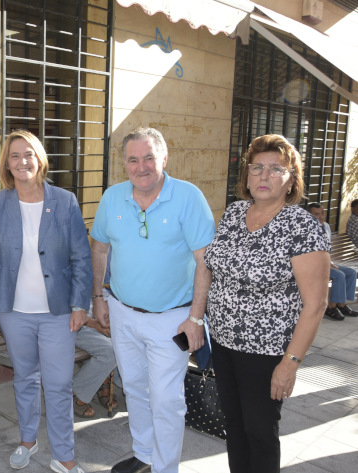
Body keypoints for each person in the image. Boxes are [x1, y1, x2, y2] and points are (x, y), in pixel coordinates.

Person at [90, 127, 215, 473]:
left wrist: (196, 318)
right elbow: (99, 247)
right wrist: (98, 296)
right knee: (134, 387)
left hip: (171, 319)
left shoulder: (188, 197)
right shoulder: (112, 198)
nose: (141, 166)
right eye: (133, 159)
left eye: (149, 157)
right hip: (122, 311)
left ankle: (165, 468)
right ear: (124, 163)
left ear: (163, 158)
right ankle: (144, 454)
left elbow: (206, 261)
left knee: (166, 399)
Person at [204, 134, 330, 473]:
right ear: (246, 175)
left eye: (276, 169)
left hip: (267, 352)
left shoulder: (302, 226)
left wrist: (289, 363)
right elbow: (212, 267)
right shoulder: (233, 213)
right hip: (224, 342)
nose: (263, 175)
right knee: (234, 426)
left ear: (291, 180)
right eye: (257, 167)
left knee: (259, 432)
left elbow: (316, 304)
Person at [0, 129, 92, 473]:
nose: (22, 161)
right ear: (7, 164)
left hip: (57, 313)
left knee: (58, 384)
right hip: (13, 312)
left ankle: (64, 456)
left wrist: (79, 305)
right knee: (24, 378)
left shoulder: (65, 201)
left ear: (39, 158)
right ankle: (28, 440)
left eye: (28, 154)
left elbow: (81, 258)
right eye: (14, 156)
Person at [307, 203, 357, 320]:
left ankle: (342, 304)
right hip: (313, 264)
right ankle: (331, 307)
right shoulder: (307, 229)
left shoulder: (326, 227)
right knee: (339, 275)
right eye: (317, 214)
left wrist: (329, 262)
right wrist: (328, 263)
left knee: (351, 272)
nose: (321, 216)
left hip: (326, 261)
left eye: (322, 213)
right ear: (309, 215)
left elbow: (327, 248)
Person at [72, 311, 122, 418]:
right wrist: (95, 324)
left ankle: (104, 380)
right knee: (110, 352)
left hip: (100, 322)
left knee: (130, 341)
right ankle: (75, 391)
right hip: (75, 326)